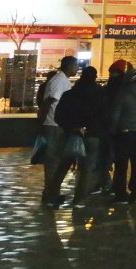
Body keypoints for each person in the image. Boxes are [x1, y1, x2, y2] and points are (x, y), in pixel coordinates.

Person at [54, 65, 106, 205]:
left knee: (63, 165)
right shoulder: (101, 95)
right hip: (92, 135)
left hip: (71, 135)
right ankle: (79, 199)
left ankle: (53, 195)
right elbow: (105, 116)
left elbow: (58, 116)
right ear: (94, 78)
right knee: (86, 169)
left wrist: (71, 128)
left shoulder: (70, 94)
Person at [107, 60, 136, 204]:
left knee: (121, 165)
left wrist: (113, 129)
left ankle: (121, 195)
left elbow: (116, 114)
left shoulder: (123, 93)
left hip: (124, 132)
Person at [39, 55, 79, 206]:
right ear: (69, 66)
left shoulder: (62, 80)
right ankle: (50, 196)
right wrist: (42, 122)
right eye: (76, 65)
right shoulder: (59, 81)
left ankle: (51, 193)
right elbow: (50, 101)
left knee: (56, 161)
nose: (77, 68)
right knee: (53, 162)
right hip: (53, 125)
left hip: (56, 124)